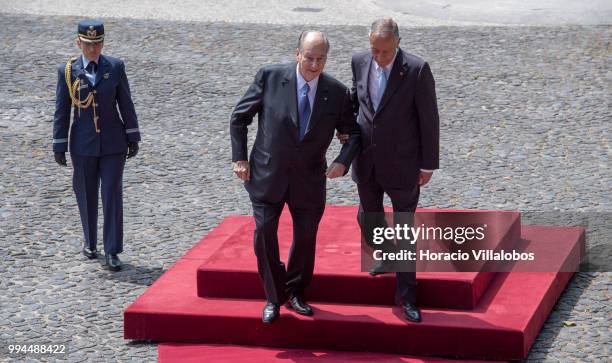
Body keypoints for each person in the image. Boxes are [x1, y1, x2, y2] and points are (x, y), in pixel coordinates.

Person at [230, 31, 360, 323]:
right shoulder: (270, 77)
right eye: (309, 57)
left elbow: (353, 133)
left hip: (309, 178)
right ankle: (274, 296)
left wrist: (342, 161)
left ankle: (297, 292)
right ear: (297, 53)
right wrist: (239, 157)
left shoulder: (336, 92)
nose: (314, 65)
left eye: (320, 59)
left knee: (305, 237)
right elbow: (239, 117)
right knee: (264, 234)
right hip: (267, 173)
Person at [338, 18, 440, 323]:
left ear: (398, 42)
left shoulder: (417, 69)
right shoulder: (359, 61)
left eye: (385, 51)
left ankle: (407, 297)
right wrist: (346, 130)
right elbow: (357, 101)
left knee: (405, 227)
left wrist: (428, 163)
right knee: (365, 217)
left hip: (403, 162)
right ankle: (388, 254)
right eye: (375, 50)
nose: (379, 57)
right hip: (367, 160)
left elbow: (429, 118)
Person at [52, 19, 141, 271]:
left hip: (114, 143)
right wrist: (59, 144)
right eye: (89, 44)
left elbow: (126, 102)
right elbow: (62, 110)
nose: (93, 49)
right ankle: (90, 243)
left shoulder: (114, 67)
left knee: (112, 194)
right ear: (79, 42)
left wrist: (133, 135)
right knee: (86, 193)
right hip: (82, 145)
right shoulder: (67, 71)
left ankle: (112, 250)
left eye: (98, 44)